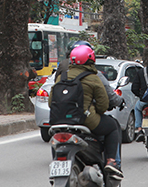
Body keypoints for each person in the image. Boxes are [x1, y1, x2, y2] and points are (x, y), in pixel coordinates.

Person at [49, 44, 123, 180]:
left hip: (60, 122)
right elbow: (103, 105)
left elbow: (50, 102)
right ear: (90, 60)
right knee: (113, 126)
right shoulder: (93, 77)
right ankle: (111, 161)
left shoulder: (62, 76)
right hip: (85, 121)